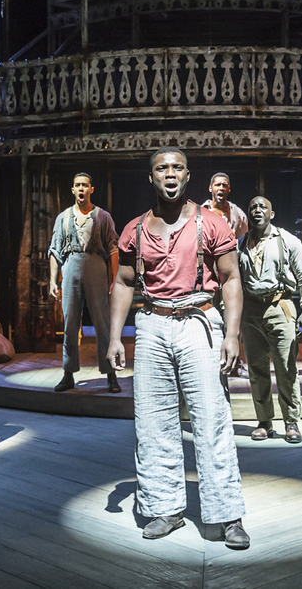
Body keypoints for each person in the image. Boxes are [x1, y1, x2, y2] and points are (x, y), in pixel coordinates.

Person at [107, 147, 250, 550]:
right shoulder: (135, 228)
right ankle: (164, 507)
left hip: (199, 320)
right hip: (152, 323)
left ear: (188, 176)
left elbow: (231, 279)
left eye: (177, 168)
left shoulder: (212, 223)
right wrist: (115, 336)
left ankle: (227, 514)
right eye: (161, 168)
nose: (169, 174)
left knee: (212, 419)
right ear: (150, 177)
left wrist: (232, 334)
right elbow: (122, 282)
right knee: (153, 421)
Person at [237, 196, 302, 443]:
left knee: (286, 367)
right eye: (252, 207)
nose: (257, 210)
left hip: (280, 306)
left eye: (262, 207)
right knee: (256, 369)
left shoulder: (288, 241)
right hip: (250, 310)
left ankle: (291, 422)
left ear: (272, 214)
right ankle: (264, 421)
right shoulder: (241, 243)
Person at [48, 173, 121, 393]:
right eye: (77, 185)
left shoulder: (103, 216)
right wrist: (53, 280)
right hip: (71, 265)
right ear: (72, 190)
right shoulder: (63, 217)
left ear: (91, 189)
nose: (81, 189)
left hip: (96, 265)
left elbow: (113, 249)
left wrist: (114, 281)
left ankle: (110, 374)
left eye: (85, 185)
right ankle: (68, 373)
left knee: (102, 323)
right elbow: (55, 249)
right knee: (70, 323)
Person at [202, 173, 248, 239]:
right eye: (217, 185)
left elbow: (242, 243)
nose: (221, 188)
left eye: (224, 185)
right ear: (210, 188)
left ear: (229, 189)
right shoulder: (201, 212)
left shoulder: (239, 215)